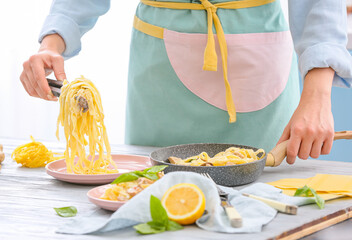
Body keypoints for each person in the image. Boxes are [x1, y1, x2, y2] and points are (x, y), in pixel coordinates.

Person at [20, 0, 352, 165]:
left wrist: (319, 91)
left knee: (266, 199)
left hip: (259, 64)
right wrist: (52, 42)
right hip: (159, 72)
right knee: (153, 199)